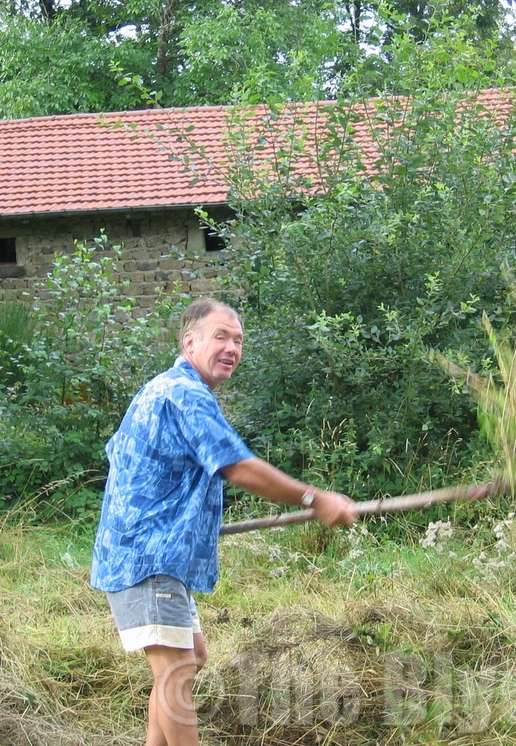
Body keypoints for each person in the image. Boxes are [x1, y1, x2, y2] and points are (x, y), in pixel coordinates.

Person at [90, 297, 356, 746]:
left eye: (238, 340)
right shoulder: (185, 394)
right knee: (175, 675)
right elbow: (237, 466)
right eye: (221, 336)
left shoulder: (168, 388)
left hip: (156, 552)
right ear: (189, 340)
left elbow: (121, 453)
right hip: (148, 557)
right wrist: (314, 499)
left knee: (190, 658)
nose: (232, 347)